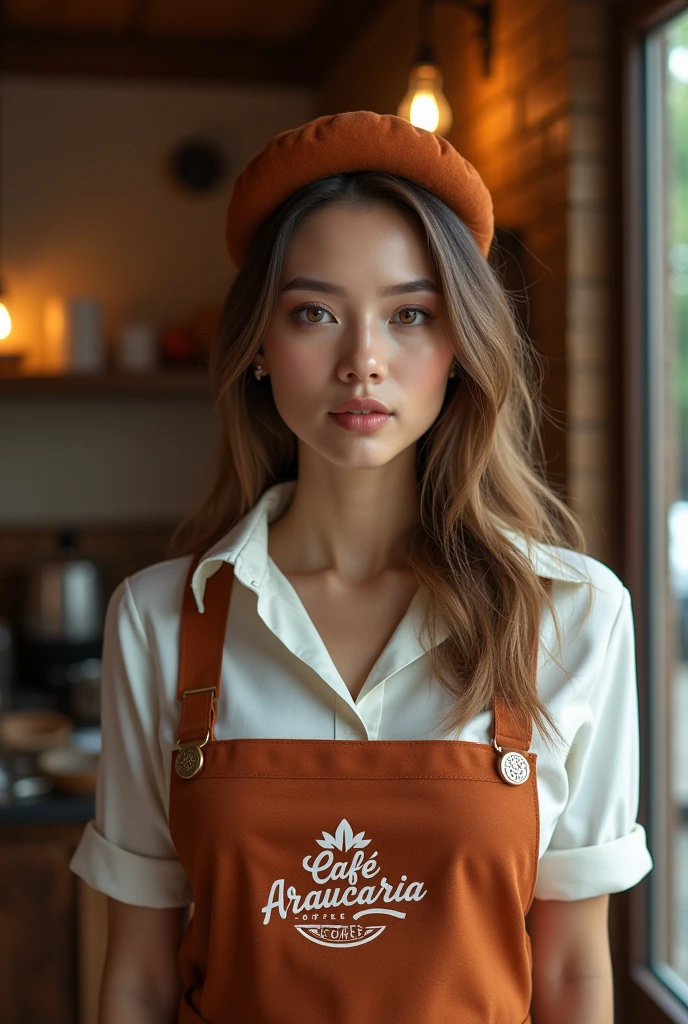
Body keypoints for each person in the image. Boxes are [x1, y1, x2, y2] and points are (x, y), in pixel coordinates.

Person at [69, 110, 653, 1024]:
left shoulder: (574, 613)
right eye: (315, 313)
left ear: (459, 348)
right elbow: (137, 976)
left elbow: (576, 974)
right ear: (261, 346)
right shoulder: (162, 618)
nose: (363, 363)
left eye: (410, 315)